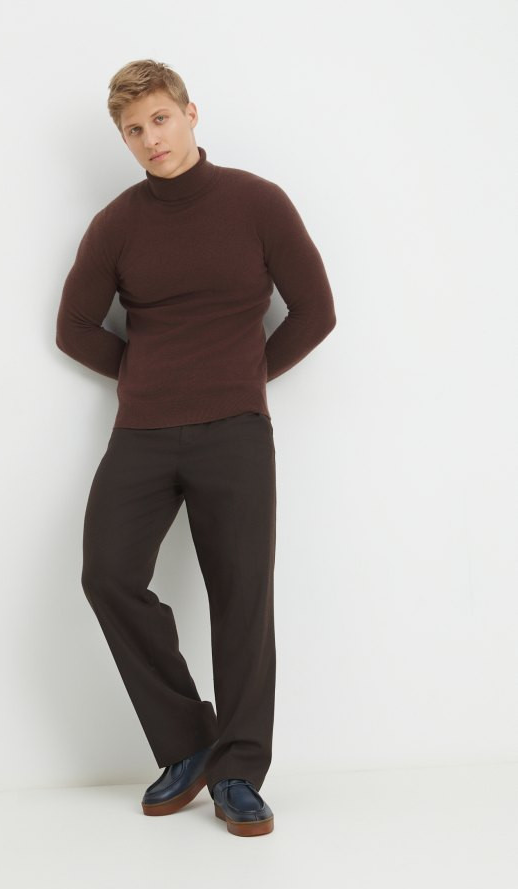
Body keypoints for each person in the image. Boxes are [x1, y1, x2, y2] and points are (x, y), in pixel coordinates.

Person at [56, 58, 336, 837]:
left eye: (159, 119)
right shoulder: (117, 223)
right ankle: (190, 742)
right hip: (142, 433)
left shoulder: (256, 203)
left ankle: (240, 771)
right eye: (133, 130)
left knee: (241, 598)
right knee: (107, 574)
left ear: (189, 113)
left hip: (235, 432)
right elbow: (73, 326)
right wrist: (143, 376)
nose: (151, 139)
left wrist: (244, 376)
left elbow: (315, 310)